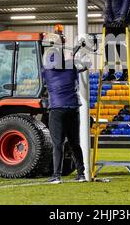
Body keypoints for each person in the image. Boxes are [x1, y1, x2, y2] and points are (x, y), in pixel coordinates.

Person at [42, 34, 87, 184]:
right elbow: (82, 64)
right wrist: (76, 49)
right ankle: (81, 174)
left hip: (57, 108)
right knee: (75, 143)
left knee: (57, 144)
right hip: (73, 108)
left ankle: (56, 175)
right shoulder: (72, 68)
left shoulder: (47, 71)